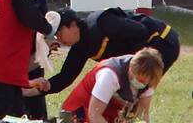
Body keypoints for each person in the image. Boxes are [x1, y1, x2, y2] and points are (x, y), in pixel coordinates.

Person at [50, 7, 180, 93]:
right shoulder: (79, 47)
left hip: (162, 40)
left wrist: (130, 65)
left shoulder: (101, 22)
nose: (59, 39)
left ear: (73, 25)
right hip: (147, 49)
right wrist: (43, 87)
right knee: (129, 91)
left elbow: (140, 31)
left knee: (136, 90)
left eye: (59, 33)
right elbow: (65, 77)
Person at [60, 48, 165, 123]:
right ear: (131, 69)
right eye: (140, 80)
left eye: (146, 83)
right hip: (81, 112)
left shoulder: (149, 78)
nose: (143, 85)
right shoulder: (110, 75)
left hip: (110, 114)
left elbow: (142, 114)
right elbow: (94, 114)